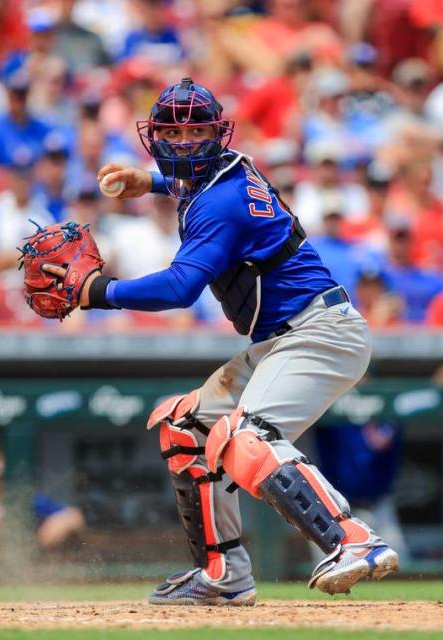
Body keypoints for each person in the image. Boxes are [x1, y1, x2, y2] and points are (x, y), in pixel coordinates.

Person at [40, 78, 398, 605]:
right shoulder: (228, 168)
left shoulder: (219, 200)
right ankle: (223, 574)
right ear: (155, 136)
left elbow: (182, 288)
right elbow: (191, 180)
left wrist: (99, 292)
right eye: (173, 132)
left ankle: (352, 541)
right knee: (187, 426)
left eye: (196, 131)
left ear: (216, 132)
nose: (184, 142)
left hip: (319, 333)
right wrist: (153, 182)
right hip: (287, 337)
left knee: (248, 436)